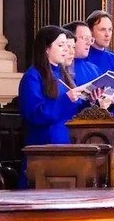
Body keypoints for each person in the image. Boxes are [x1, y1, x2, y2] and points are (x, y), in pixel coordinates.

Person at [16, 25, 93, 186]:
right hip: (45, 151)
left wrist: (91, 101)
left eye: (67, 44)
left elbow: (74, 111)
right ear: (46, 48)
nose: (66, 49)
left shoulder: (62, 75)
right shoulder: (32, 76)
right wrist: (66, 99)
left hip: (68, 148)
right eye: (60, 45)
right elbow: (35, 114)